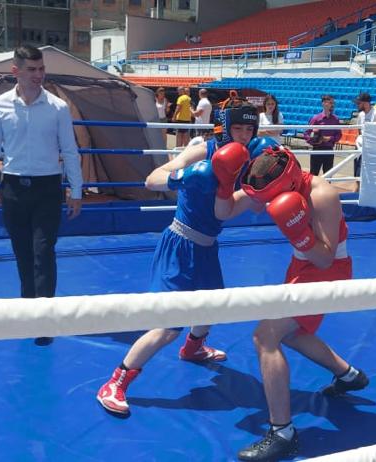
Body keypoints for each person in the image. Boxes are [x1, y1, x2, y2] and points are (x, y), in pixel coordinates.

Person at [96, 105, 277, 416]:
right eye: (238, 129)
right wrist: (184, 177)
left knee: (211, 305)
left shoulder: (250, 161)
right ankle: (115, 382)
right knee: (168, 327)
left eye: (249, 130)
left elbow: (254, 208)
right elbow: (152, 180)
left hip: (207, 247)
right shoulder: (202, 152)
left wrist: (265, 183)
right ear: (225, 128)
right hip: (179, 244)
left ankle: (193, 347)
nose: (244, 136)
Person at [215, 146, 368, 461]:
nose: (267, 204)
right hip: (300, 265)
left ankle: (283, 433)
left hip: (328, 271)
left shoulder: (322, 196)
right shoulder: (271, 185)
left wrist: (299, 233)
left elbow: (325, 259)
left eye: (273, 199)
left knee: (265, 336)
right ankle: (349, 375)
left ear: (291, 183)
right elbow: (224, 212)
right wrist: (224, 183)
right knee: (294, 333)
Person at [0, 45, 84, 346]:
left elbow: (70, 151)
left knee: (43, 251)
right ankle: (28, 312)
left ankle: (44, 317)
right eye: (32, 69)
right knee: (22, 252)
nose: (39, 75)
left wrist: (76, 190)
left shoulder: (58, 108)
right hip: (12, 188)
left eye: (41, 69)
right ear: (16, 71)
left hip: (48, 188)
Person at [303, 95, 342, 176]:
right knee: (314, 174)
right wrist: (314, 141)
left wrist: (330, 138)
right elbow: (306, 133)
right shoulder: (316, 118)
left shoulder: (335, 119)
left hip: (329, 149)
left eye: (332, 103)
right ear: (323, 103)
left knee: (328, 174)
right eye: (328, 102)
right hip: (317, 149)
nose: (330, 104)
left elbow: (339, 135)